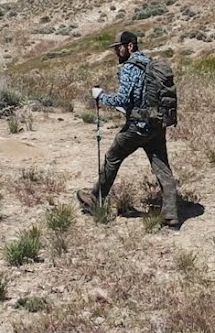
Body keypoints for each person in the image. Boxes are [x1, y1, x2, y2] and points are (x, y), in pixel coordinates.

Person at [77, 31, 180, 227]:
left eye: (119, 47)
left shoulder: (130, 67)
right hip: (156, 124)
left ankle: (95, 198)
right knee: (161, 166)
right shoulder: (149, 63)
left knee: (113, 157)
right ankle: (171, 214)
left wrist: (100, 96)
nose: (117, 51)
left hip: (137, 127)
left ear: (130, 46)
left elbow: (122, 98)